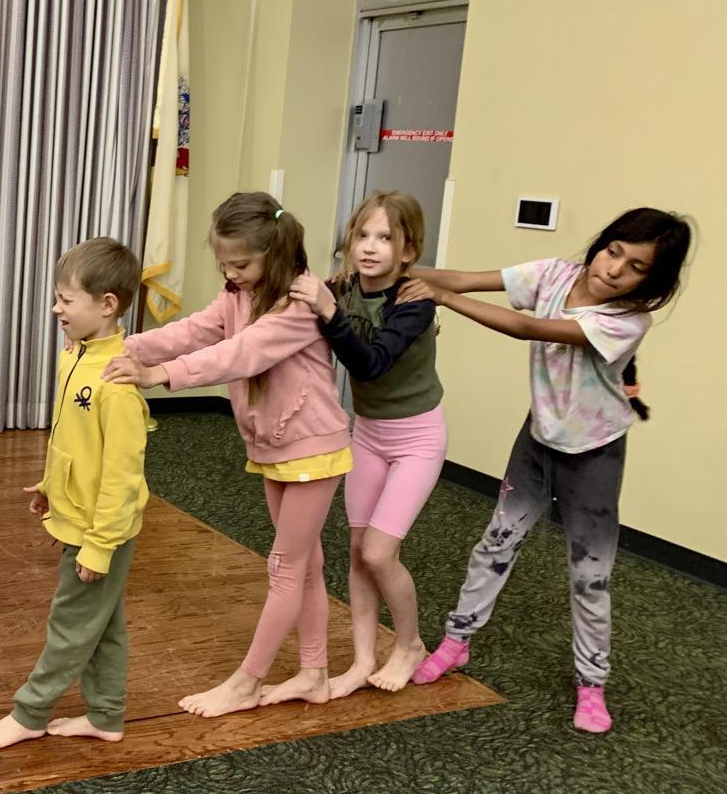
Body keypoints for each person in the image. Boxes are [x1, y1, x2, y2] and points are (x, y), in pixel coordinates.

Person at [405, 207, 692, 733]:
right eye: (613, 251)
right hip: (537, 439)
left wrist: (443, 299)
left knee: (590, 575)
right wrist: (393, 271)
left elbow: (526, 327)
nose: (613, 269)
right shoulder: (556, 274)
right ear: (601, 243)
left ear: (652, 281)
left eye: (636, 266)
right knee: (497, 542)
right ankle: (456, 641)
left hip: (594, 455)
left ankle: (591, 683)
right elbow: (466, 277)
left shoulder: (627, 320)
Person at [106, 193, 351, 717]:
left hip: (314, 447)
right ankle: (314, 673)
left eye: (240, 264)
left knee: (285, 567)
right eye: (224, 264)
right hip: (274, 445)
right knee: (305, 564)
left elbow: (239, 354)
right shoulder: (238, 295)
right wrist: (123, 349)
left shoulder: (299, 305)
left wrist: (160, 375)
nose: (231, 273)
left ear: (275, 251)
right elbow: (193, 330)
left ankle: (247, 681)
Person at [0, 238, 149, 751]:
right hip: (76, 516)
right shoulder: (75, 356)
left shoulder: (117, 383)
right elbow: (71, 439)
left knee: (72, 623)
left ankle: (31, 712)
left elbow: (121, 477)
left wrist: (99, 546)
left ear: (106, 305)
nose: (55, 308)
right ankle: (106, 715)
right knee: (104, 624)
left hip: (101, 532)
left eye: (66, 299)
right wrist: (52, 488)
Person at [290, 191, 445, 696]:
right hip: (370, 434)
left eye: (385, 238)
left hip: (417, 438)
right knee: (358, 551)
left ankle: (409, 644)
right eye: (362, 235)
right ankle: (361, 661)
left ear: (408, 250)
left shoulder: (413, 301)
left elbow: (371, 363)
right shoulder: (343, 287)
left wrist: (328, 311)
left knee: (380, 553)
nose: (370, 247)